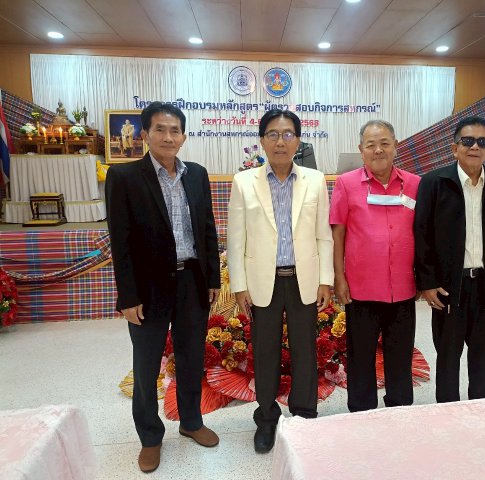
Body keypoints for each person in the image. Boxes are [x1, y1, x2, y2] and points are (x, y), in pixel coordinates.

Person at [106, 102, 221, 473]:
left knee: (191, 357)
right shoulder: (124, 177)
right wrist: (128, 296)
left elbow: (207, 229)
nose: (168, 137)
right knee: (146, 365)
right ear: (145, 134)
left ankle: (191, 421)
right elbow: (120, 241)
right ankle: (150, 437)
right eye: (160, 129)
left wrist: (213, 278)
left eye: (175, 130)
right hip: (148, 288)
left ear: (183, 136)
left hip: (191, 281)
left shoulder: (196, 174)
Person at [227, 109, 333, 453]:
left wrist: (325, 280)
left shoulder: (315, 180)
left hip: (304, 279)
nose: (280, 141)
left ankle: (304, 415)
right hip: (263, 281)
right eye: (272, 134)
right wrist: (239, 285)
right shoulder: (244, 182)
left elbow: (323, 236)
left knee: (305, 350)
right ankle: (267, 417)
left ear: (298, 140)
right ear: (262, 140)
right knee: (265, 352)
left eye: (288, 134)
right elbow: (236, 239)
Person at [414, 116, 485, 403]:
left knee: (483, 355)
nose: (475, 147)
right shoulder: (434, 183)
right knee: (448, 356)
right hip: (449, 287)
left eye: (483, 142)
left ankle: (480, 409)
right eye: (468, 141)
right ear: (455, 148)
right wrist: (427, 283)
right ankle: (447, 413)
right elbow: (421, 235)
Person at [330, 119, 420, 412]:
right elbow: (338, 233)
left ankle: (399, 408)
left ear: (396, 146)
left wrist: (423, 277)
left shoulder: (414, 184)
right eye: (371, 145)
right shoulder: (346, 184)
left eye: (384, 143)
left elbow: (424, 234)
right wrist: (339, 277)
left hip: (403, 287)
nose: (378, 150)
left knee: (400, 354)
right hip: (361, 288)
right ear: (361, 149)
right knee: (361, 356)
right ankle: (361, 411)